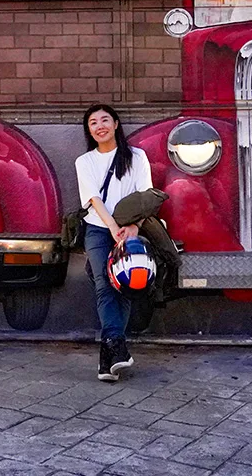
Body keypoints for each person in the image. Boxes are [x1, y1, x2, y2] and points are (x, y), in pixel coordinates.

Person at [75, 103, 153, 382]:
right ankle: (116, 347)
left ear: (116, 124)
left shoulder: (136, 157)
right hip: (98, 229)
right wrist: (112, 227)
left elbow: (146, 196)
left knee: (126, 285)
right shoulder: (85, 161)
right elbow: (93, 199)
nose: (100, 126)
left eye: (105, 120)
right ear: (89, 130)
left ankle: (107, 361)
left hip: (130, 229)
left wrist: (133, 227)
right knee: (104, 284)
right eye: (93, 123)